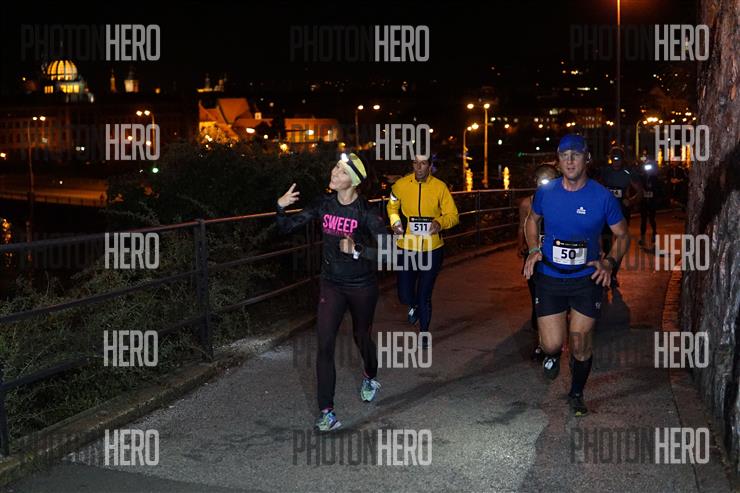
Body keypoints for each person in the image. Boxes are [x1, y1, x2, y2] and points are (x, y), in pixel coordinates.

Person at [276, 152, 388, 432]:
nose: (334, 173)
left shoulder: (367, 212)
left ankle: (369, 375)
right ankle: (327, 412)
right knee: (324, 345)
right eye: (335, 167)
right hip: (331, 284)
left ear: (353, 181)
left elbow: (390, 253)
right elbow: (287, 228)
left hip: (362, 285)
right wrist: (280, 207)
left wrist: (357, 249)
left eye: (341, 171)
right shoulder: (323, 204)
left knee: (361, 337)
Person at [523, 134, 630, 417]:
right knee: (551, 344)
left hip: (586, 279)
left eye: (576, 155)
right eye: (564, 155)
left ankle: (576, 393)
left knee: (581, 345)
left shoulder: (602, 197)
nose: (570, 161)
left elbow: (622, 235)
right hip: (549, 276)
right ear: (558, 161)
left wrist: (609, 262)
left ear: (587, 159)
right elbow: (532, 220)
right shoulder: (546, 192)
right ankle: (551, 354)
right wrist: (533, 249)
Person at [387, 155, 459, 347]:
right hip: (407, 247)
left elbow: (453, 215)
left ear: (430, 166)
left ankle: (424, 333)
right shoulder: (401, 185)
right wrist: (395, 222)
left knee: (424, 294)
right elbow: (392, 206)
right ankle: (413, 306)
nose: (418, 167)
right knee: (404, 294)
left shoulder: (440, 187)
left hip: (432, 249)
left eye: (423, 163)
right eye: (415, 163)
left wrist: (440, 223)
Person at [518, 164, 559, 359]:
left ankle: (554, 336)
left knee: (555, 300)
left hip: (556, 259)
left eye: (550, 180)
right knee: (537, 298)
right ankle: (541, 343)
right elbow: (522, 225)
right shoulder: (528, 203)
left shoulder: (562, 202)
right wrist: (521, 245)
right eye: (542, 180)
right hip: (535, 257)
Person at [598, 146, 642, 287]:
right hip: (606, 212)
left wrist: (631, 201)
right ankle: (606, 269)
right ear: (610, 159)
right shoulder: (605, 172)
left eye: (618, 159)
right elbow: (596, 188)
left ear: (623, 159)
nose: (616, 161)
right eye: (613, 158)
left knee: (620, 242)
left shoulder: (628, 172)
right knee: (606, 243)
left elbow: (640, 191)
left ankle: (613, 275)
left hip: (622, 212)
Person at [638, 159, 662, 247]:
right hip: (644, 202)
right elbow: (639, 187)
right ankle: (642, 238)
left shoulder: (655, 178)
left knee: (652, 219)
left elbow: (658, 190)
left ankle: (654, 233)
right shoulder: (642, 177)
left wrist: (654, 193)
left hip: (652, 202)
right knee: (643, 220)